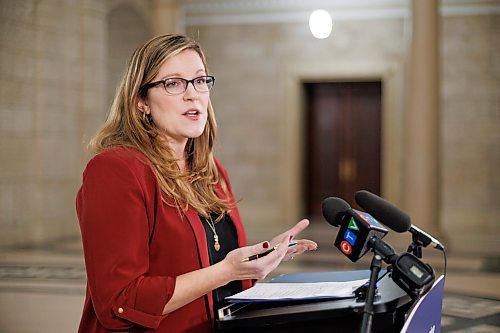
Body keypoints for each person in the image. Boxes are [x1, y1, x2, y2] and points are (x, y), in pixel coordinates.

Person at [76, 33, 317, 333]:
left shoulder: (212, 173)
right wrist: (227, 270)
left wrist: (257, 262)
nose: (193, 94)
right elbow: (118, 303)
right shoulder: (116, 170)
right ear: (141, 102)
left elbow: (220, 278)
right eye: (173, 83)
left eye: (200, 80)